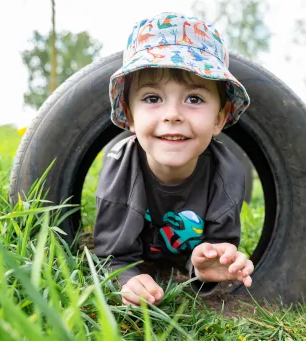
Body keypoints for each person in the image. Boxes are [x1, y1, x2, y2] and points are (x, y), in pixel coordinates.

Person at [93, 11, 255, 306]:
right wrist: (127, 277)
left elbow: (216, 255)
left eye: (194, 99)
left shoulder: (227, 174)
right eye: (152, 98)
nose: (172, 115)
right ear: (129, 116)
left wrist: (203, 267)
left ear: (219, 119)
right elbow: (111, 255)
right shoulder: (119, 167)